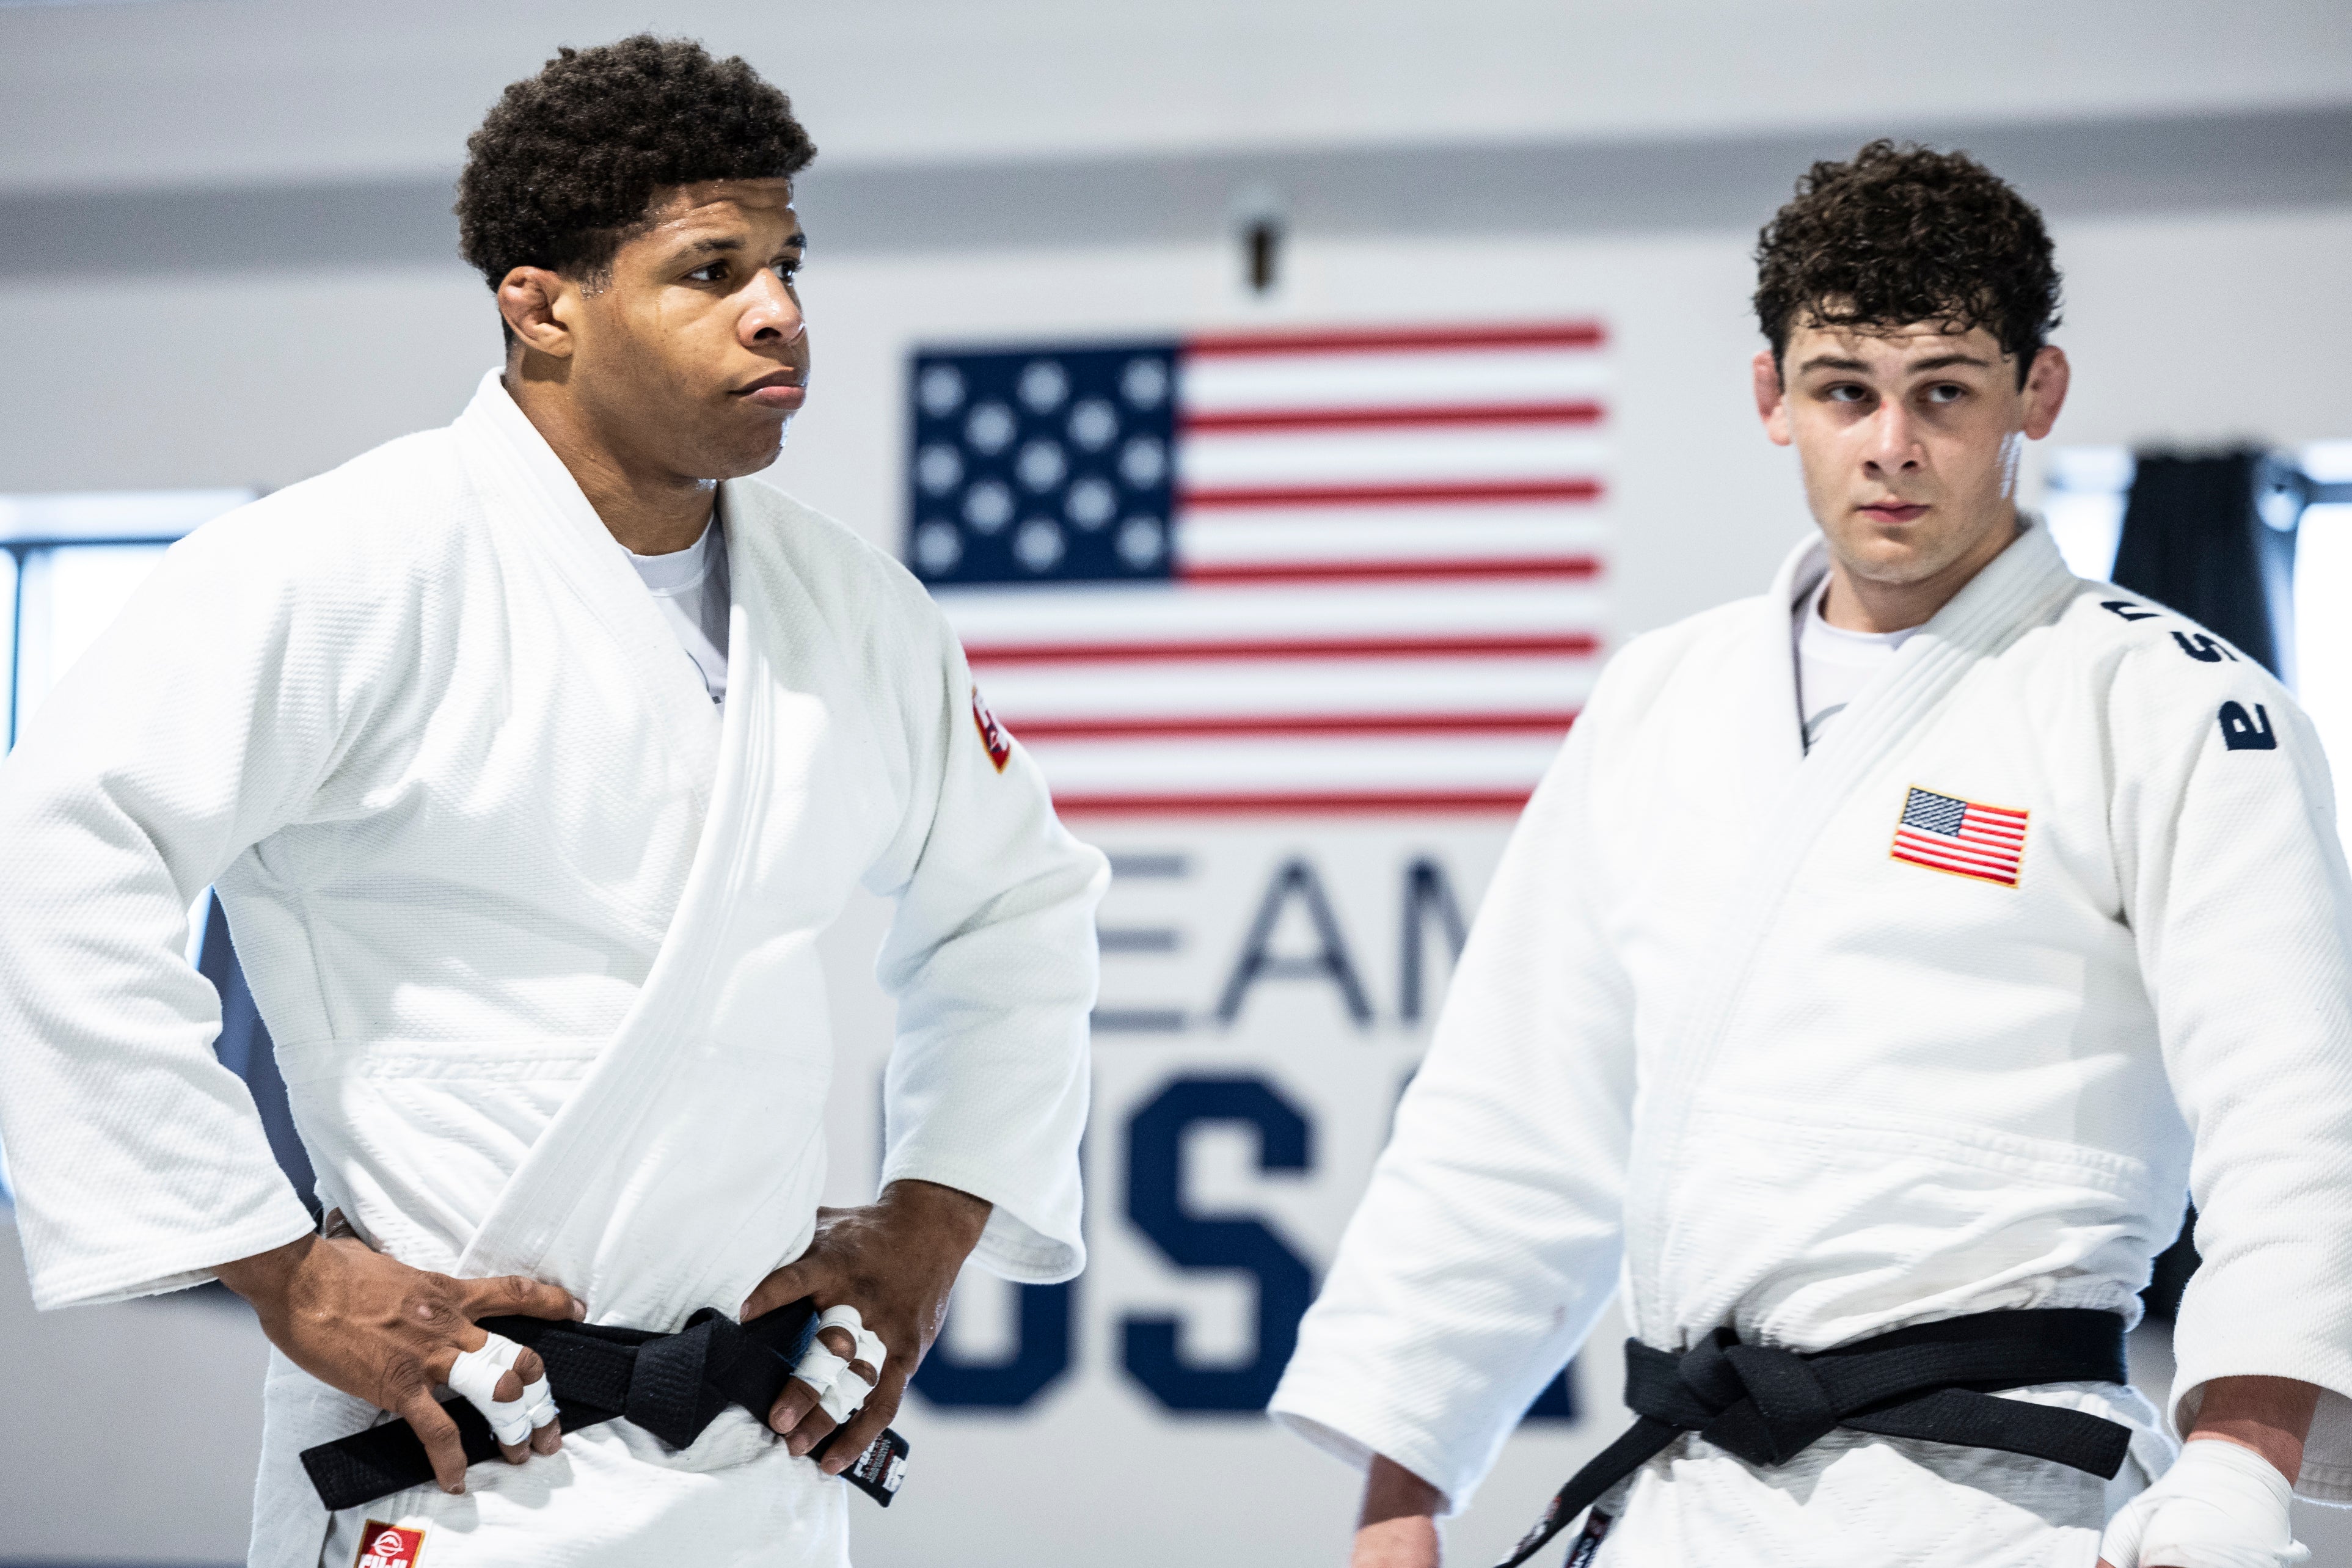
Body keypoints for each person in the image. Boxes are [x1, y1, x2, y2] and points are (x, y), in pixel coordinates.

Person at [0, 35, 1103, 1568]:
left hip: (758, 1458)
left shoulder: (859, 614)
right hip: (462, 1449)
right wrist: (276, 1267)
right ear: (542, 305)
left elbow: (1021, 908)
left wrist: (933, 1219)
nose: (778, 311)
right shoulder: (349, 569)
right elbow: (48, 862)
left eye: (786, 263)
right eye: (709, 270)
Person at [1269, 140, 2352, 1568]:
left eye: (1943, 392)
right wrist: (1397, 1500)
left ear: (2037, 391)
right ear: (1772, 395)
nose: (1889, 445)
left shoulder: (2165, 705)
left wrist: (2232, 1475)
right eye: (1845, 389)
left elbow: (2299, 1121)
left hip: (1991, 1500)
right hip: (1670, 1504)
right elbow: (1508, 1117)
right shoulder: (1661, 697)